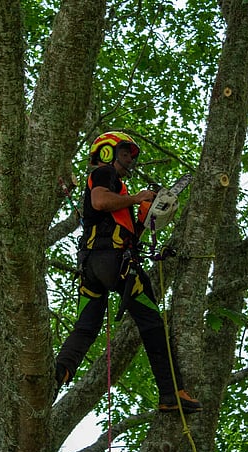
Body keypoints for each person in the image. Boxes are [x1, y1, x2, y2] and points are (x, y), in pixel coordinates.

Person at [55, 131, 202, 413]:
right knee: (152, 323)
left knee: (86, 328)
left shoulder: (117, 190)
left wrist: (146, 216)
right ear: (108, 152)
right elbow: (99, 201)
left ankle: (57, 374)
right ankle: (172, 392)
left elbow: (119, 223)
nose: (128, 161)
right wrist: (137, 198)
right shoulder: (104, 175)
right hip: (114, 263)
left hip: (92, 268)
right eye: (124, 153)